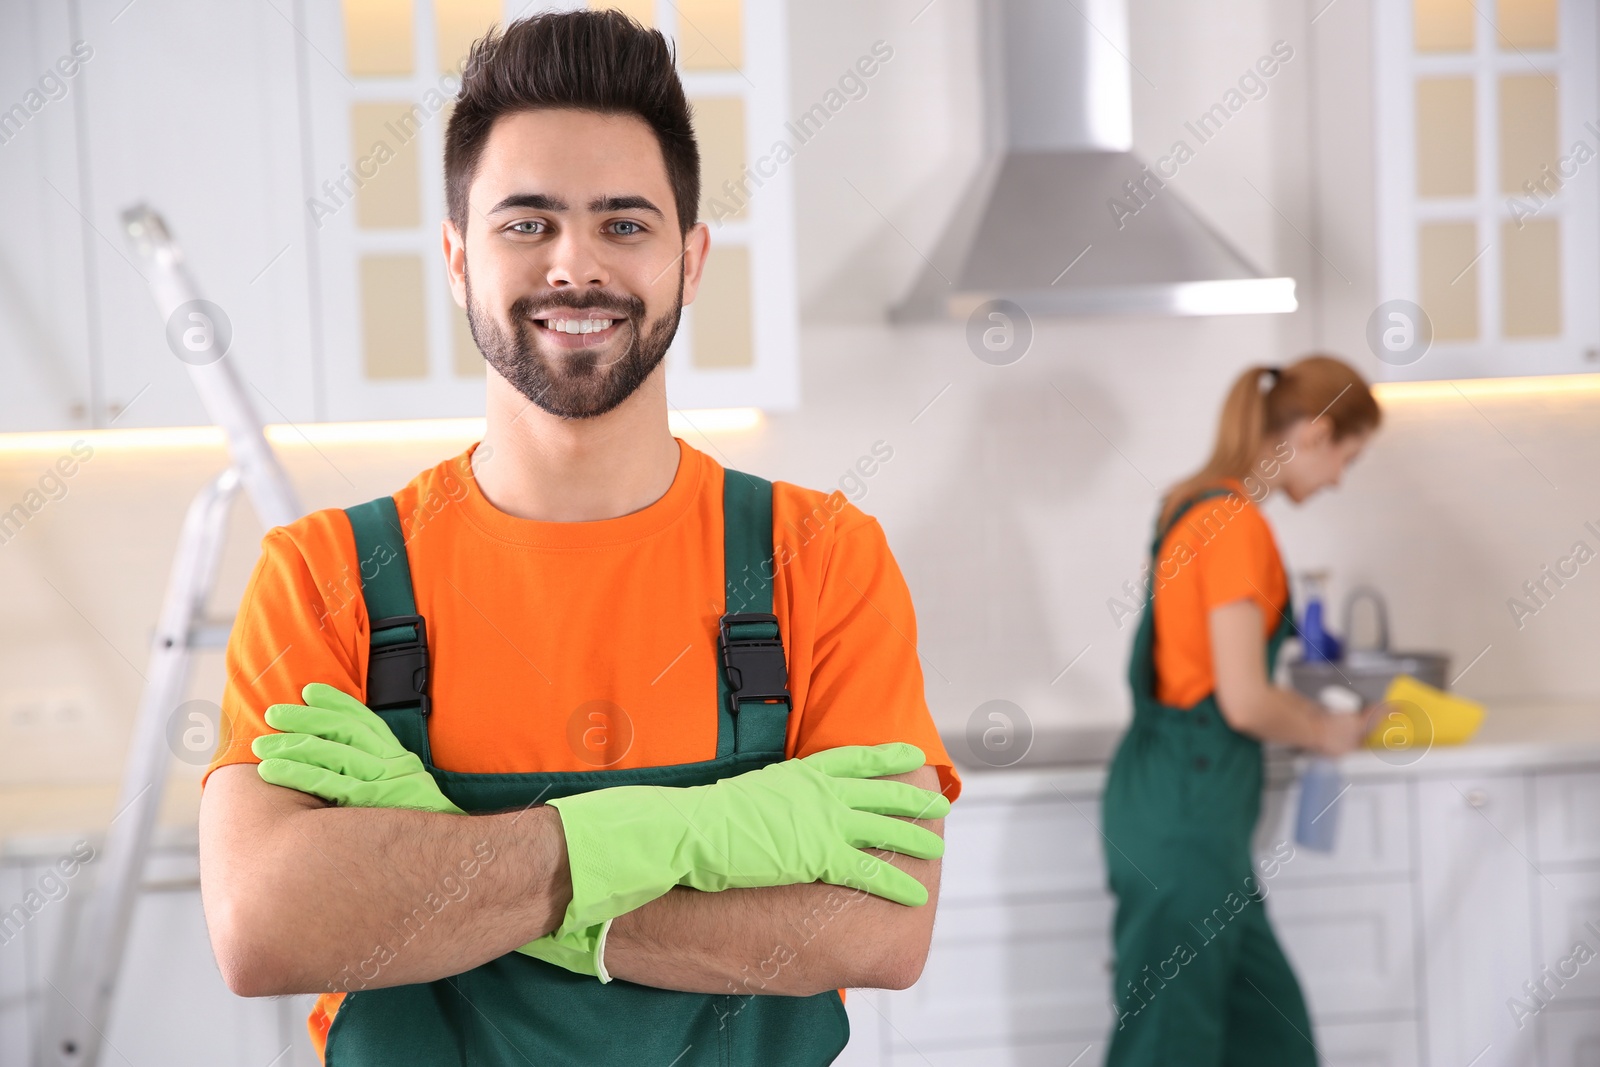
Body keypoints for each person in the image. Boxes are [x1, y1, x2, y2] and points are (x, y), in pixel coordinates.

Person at [197, 12, 959, 1066]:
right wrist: (673, 843)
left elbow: (884, 923)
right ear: (459, 259)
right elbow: (265, 927)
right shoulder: (329, 577)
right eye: (527, 224)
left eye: (624, 224)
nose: (575, 265)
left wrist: (452, 872)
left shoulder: (818, 557)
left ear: (690, 259)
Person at [1100, 355, 1382, 1065]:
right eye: (1346, 457)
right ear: (1315, 433)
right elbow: (1244, 698)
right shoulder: (1231, 523)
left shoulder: (1188, 503)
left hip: (1186, 813)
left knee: (1271, 1035)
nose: (1340, 480)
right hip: (1186, 820)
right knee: (1168, 1045)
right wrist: (1328, 729)